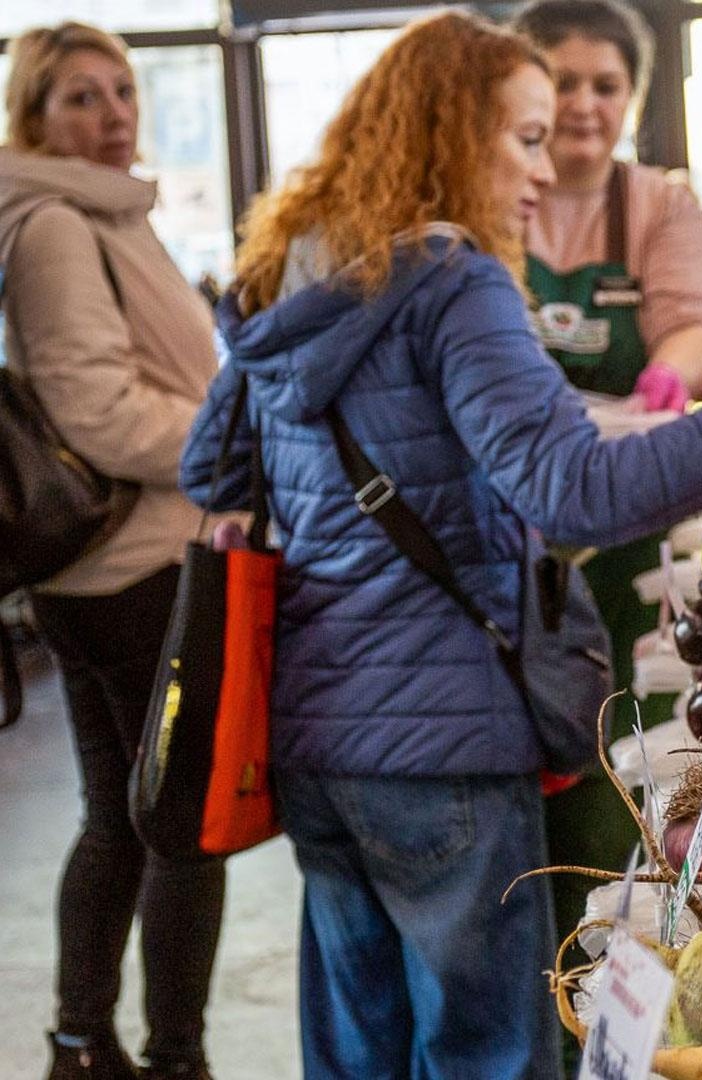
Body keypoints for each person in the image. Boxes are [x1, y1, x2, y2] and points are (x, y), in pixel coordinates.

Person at [176, 13, 702, 1078]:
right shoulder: (454, 281)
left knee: (358, 1052)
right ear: (449, 136)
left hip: (314, 739)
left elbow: (210, 468)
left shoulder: (296, 273)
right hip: (443, 741)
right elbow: (575, 490)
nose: (542, 169)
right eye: (521, 139)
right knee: (488, 1053)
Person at [0, 22, 225, 1080]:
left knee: (121, 819)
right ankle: (174, 1057)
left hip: (113, 566)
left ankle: (81, 1044)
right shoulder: (57, 226)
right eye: (80, 97)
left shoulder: (103, 214)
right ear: (34, 117)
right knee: (184, 825)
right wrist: (235, 442)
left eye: (122, 91)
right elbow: (99, 412)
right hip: (135, 568)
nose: (111, 114)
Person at [506, 0, 702, 991]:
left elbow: (693, 321)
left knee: (609, 760)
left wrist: (669, 378)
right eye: (564, 82)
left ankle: (588, 983)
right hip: (510, 544)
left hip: (625, 540)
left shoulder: (658, 206)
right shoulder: (494, 200)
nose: (586, 105)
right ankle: (522, 982)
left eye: (608, 84)